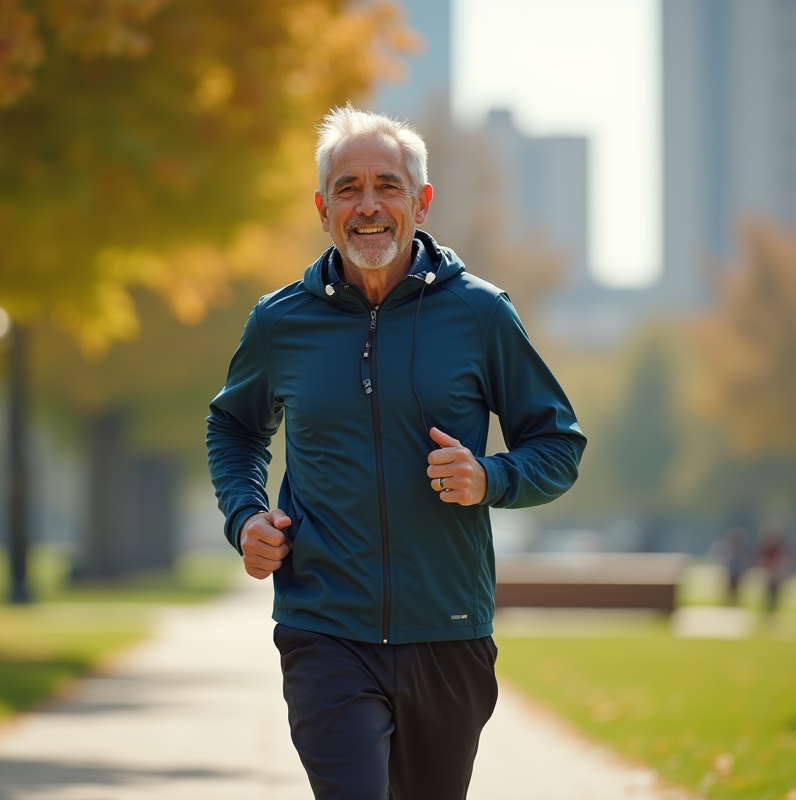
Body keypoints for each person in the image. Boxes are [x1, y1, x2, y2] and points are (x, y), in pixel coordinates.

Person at [206, 104, 586, 800]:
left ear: (421, 200)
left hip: (448, 631)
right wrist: (244, 517)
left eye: (387, 184)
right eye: (348, 188)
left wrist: (490, 477)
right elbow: (233, 428)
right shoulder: (280, 322)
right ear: (324, 210)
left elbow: (558, 444)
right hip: (325, 629)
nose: (369, 205)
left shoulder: (480, 314)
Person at [756, 522, 791, 615]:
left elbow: (784, 561)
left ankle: (772, 612)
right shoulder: (766, 548)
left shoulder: (780, 548)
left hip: (776, 575)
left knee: (775, 595)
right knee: (767, 594)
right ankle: (767, 612)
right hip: (769, 574)